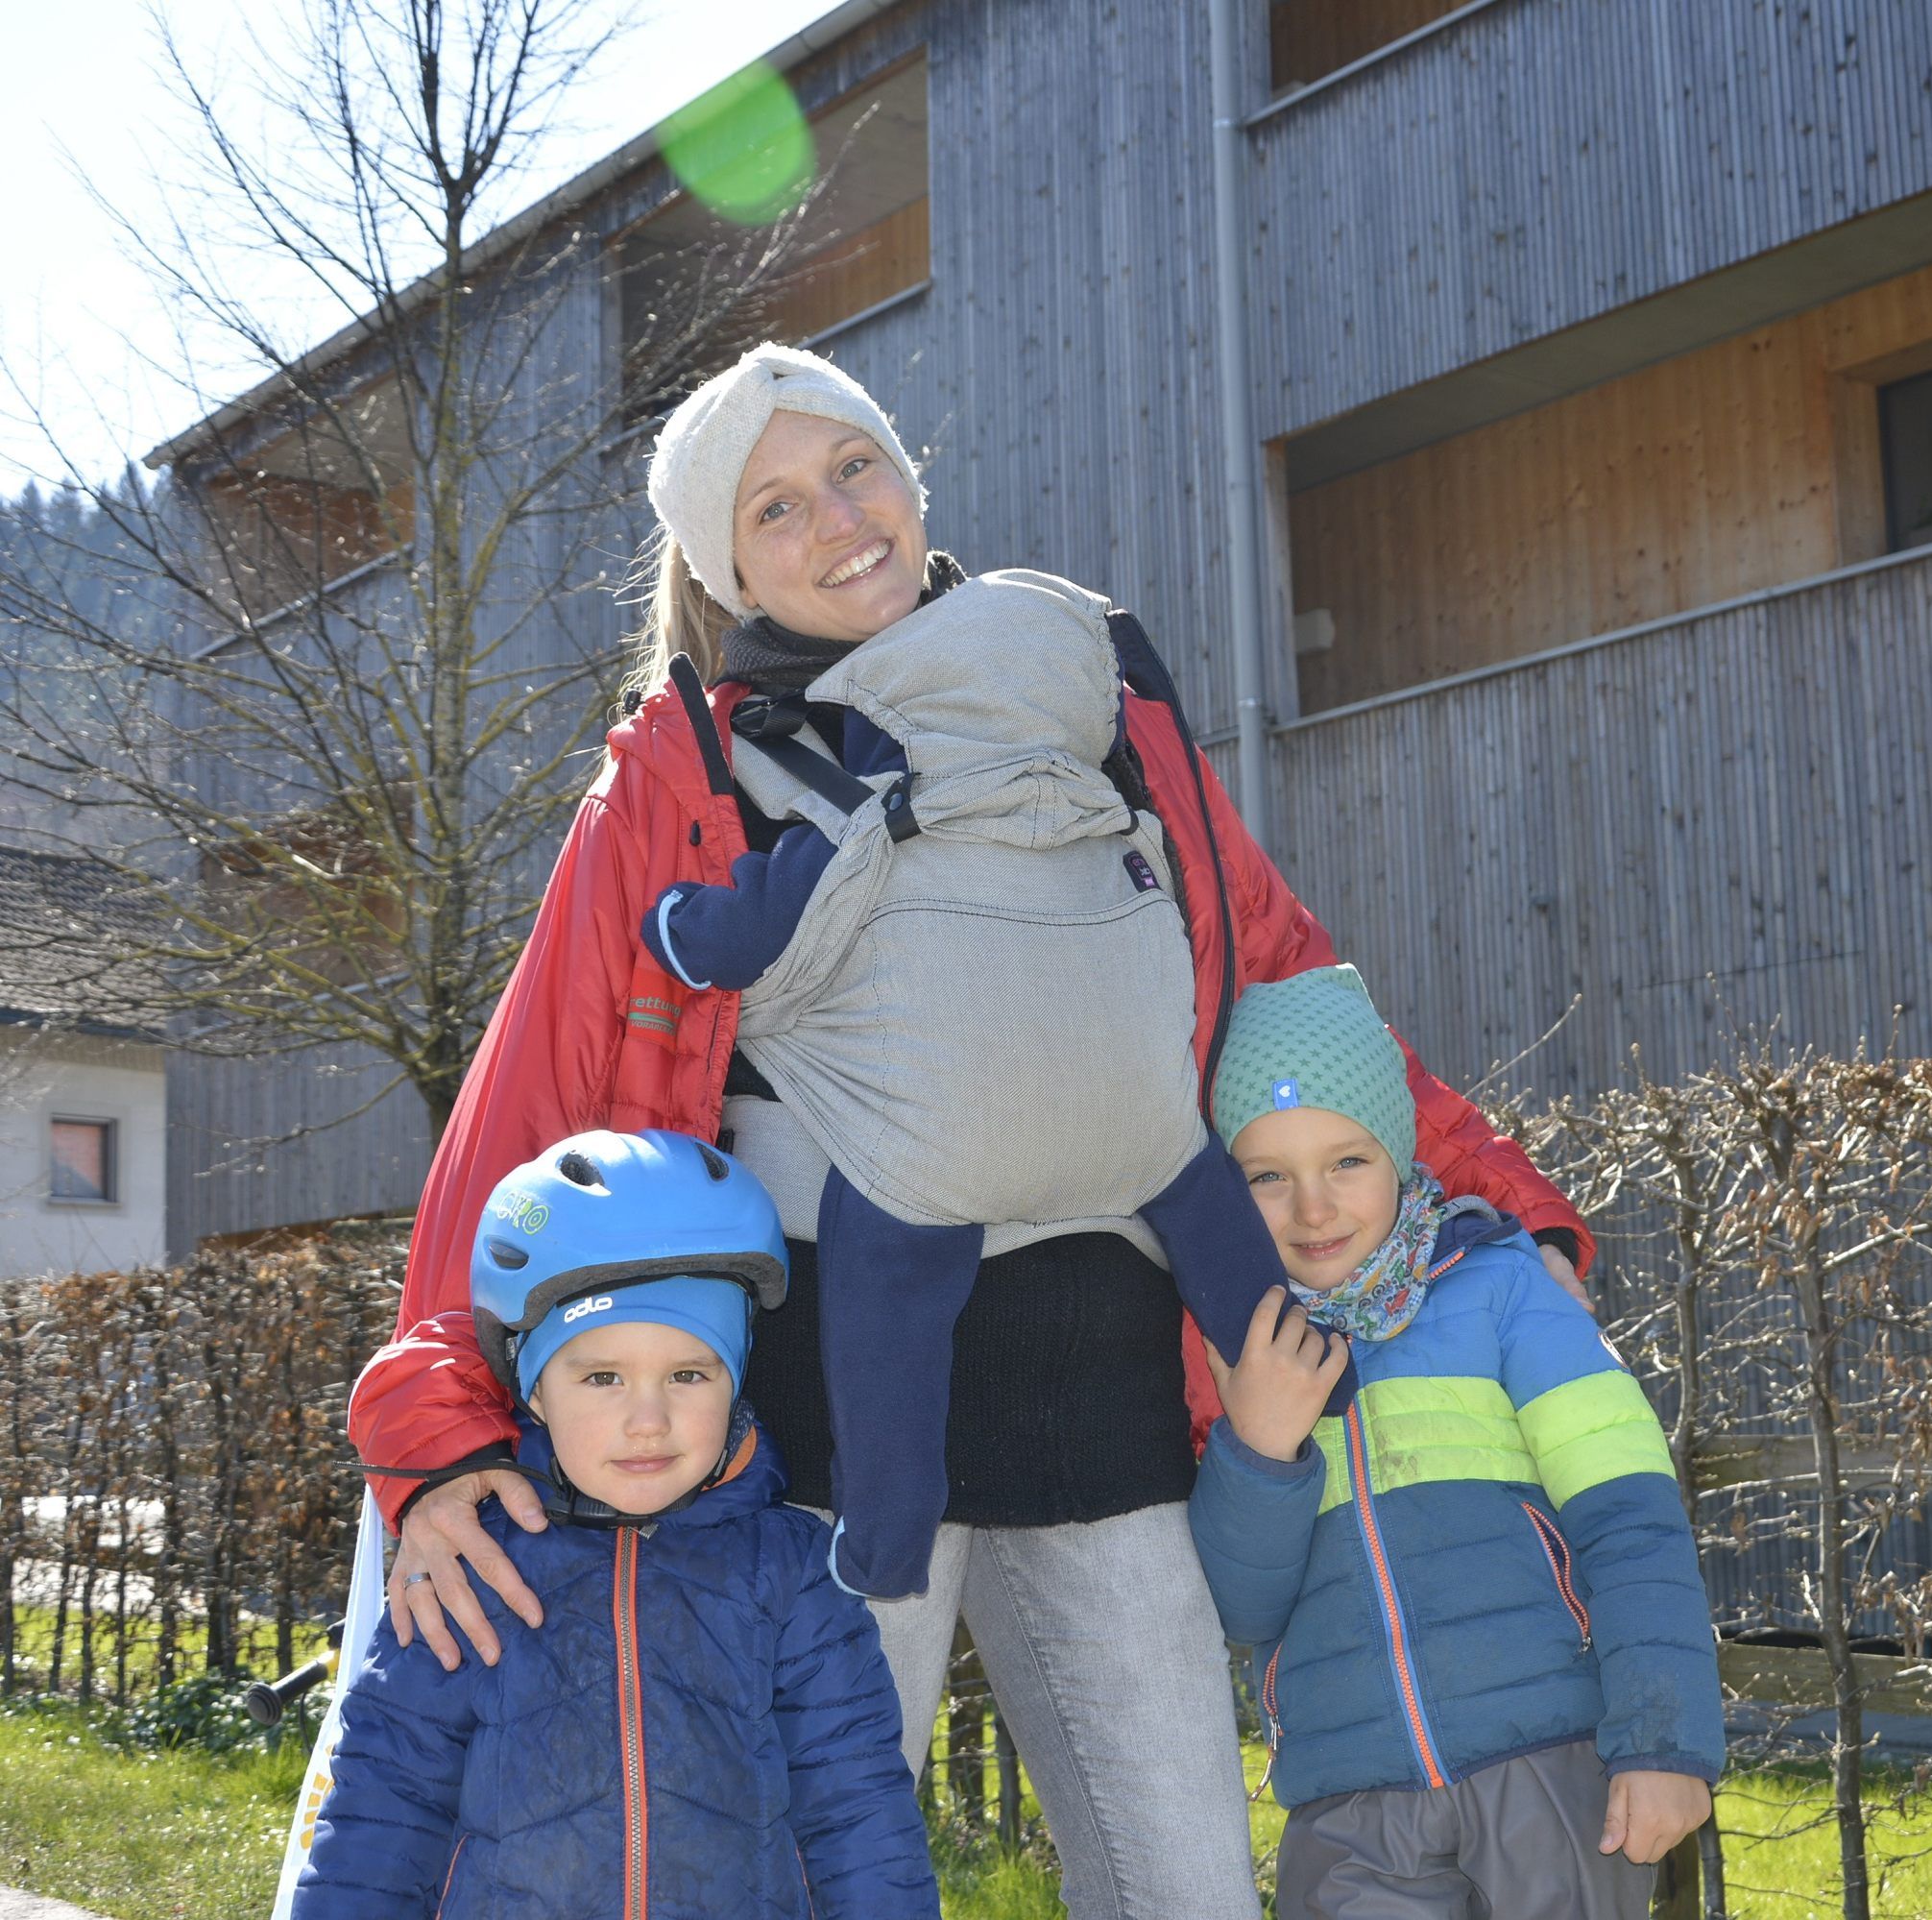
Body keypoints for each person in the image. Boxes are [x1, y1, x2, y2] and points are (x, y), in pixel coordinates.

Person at [347, 340, 1594, 1920]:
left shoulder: (1091, 705)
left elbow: (1285, 990)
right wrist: (440, 1424)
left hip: (1110, 1409)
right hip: (829, 1435)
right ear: (732, 565)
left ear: (909, 468)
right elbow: (531, 1112)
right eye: (778, 506)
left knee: (1187, 1880)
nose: (836, 518)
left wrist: (1503, 1209)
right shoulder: (685, 780)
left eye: (853, 466)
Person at [637, 536, 1299, 1601]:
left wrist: (677, 919)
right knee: (1212, 1217)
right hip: (1147, 1151)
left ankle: (886, 1532)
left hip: (939, 1168)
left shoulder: (865, 798)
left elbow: (742, 932)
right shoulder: (1124, 807)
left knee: (887, 1308)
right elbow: (1262, 961)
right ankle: (1322, 1367)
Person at [1188, 965, 1724, 1920]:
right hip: (1348, 1810)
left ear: (1398, 1152)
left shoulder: (1506, 1293)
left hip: (1552, 1777)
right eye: (1268, 1176)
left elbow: (1632, 1524)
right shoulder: (1240, 1351)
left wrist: (1661, 1742)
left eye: (1345, 1161)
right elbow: (1241, 1607)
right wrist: (1260, 1450)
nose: (1312, 1208)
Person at [301, 1129, 936, 1919]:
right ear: (533, 1392)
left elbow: (857, 1810)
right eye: (601, 1375)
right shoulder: (471, 1568)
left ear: (734, 1380)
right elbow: (382, 1813)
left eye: (688, 1373)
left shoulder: (793, 1573)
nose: (648, 1419)